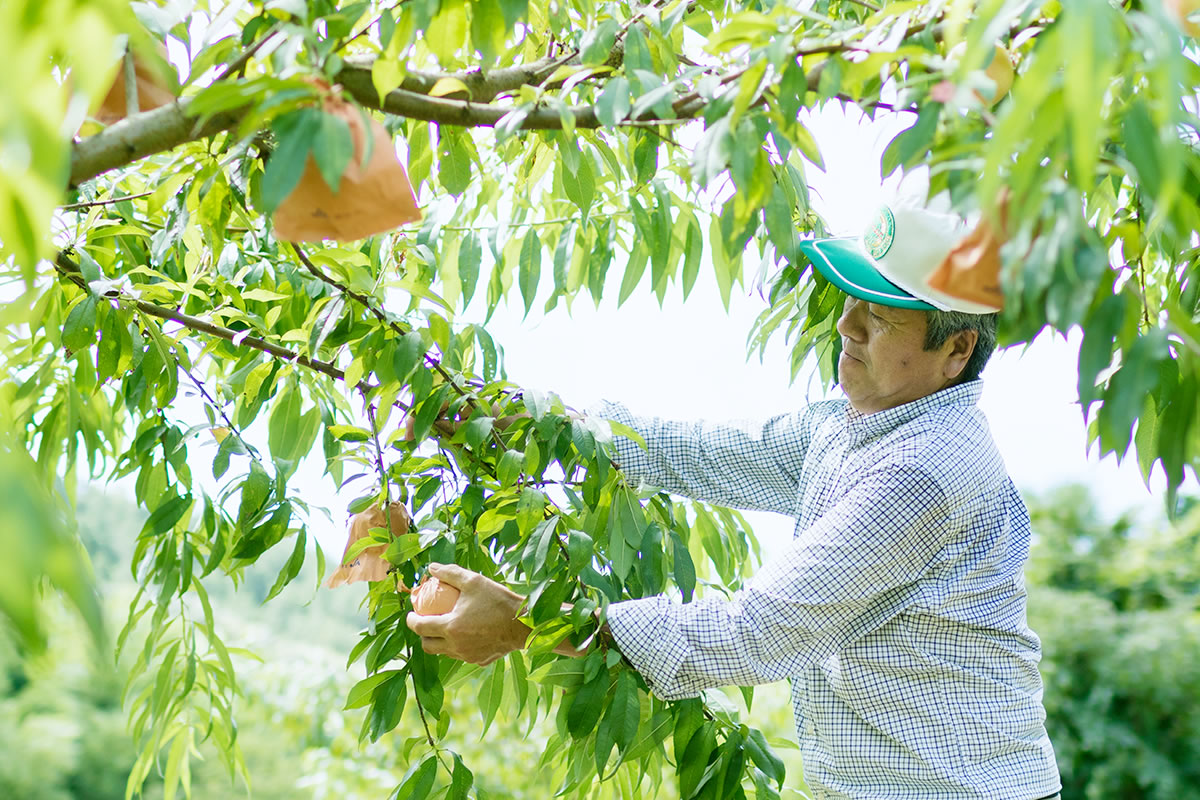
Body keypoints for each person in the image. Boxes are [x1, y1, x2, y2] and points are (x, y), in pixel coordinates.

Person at [407, 203, 1063, 800]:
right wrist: (532, 424)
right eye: (851, 301)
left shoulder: (921, 472)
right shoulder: (853, 427)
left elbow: (752, 634)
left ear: (956, 350)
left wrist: (528, 622)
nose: (847, 326)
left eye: (881, 318)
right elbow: (697, 451)